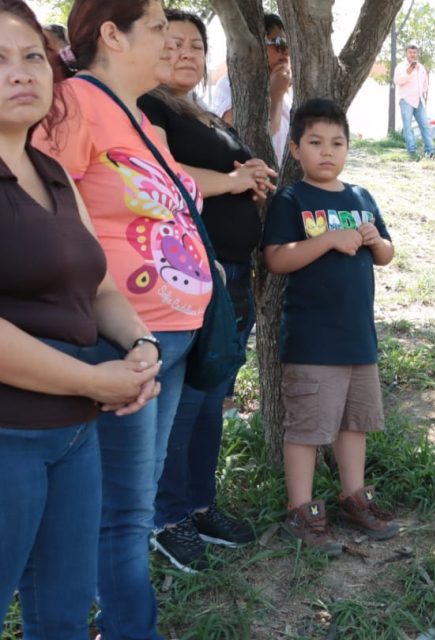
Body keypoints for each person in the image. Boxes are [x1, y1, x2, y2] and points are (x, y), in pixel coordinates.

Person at [35, 0, 213, 635]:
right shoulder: (71, 107)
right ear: (112, 34)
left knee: (138, 496)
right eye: (161, 28)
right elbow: (45, 219)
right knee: (125, 508)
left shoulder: (144, 120)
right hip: (123, 340)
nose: (172, 41)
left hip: (171, 336)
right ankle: (128, 627)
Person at [0, 1, 160, 633]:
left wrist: (141, 343)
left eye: (33, 55)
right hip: (7, 437)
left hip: (72, 437)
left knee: (63, 615)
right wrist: (97, 381)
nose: (21, 72)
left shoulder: (53, 173)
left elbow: (99, 290)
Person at [140, 9, 274, 573]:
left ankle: (199, 503)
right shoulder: (144, 106)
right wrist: (237, 180)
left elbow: (218, 172)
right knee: (182, 403)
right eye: (171, 44)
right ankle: (165, 517)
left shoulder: (197, 110)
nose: (185, 54)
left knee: (211, 400)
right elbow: (165, 176)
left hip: (231, 275)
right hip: (189, 277)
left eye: (195, 45)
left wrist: (252, 172)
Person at [262, 98, 399, 556]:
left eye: (337, 143)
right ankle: (300, 508)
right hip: (312, 340)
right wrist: (325, 241)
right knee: (306, 427)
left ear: (348, 146)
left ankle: (352, 497)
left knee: (354, 422)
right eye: (316, 143)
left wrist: (376, 241)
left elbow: (386, 253)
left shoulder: (360, 197)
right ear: (296, 150)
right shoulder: (291, 198)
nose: (328, 152)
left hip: (359, 337)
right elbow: (277, 259)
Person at [210, 12, 290, 165]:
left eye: (288, 44)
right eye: (278, 42)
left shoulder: (286, 94)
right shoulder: (229, 84)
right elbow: (254, 136)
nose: (285, 51)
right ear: (256, 45)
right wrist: (276, 95)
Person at [394, 43, 434, 158]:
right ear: (406, 53)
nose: (413, 55)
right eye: (410, 52)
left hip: (419, 101)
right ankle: (412, 151)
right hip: (406, 101)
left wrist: (423, 93)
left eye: (414, 52)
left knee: (425, 126)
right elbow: (397, 81)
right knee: (408, 127)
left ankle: (430, 151)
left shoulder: (421, 67)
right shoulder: (401, 67)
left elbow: (425, 82)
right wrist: (408, 72)